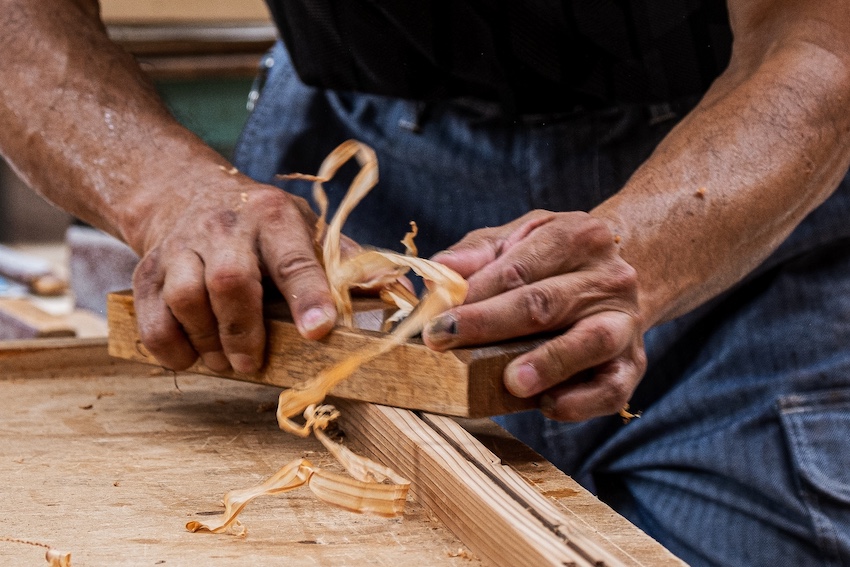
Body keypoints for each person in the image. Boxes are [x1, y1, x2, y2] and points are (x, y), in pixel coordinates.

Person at [2, 1, 849, 564]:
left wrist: (640, 249)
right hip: (349, 155)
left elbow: (824, 37)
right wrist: (165, 189)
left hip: (744, 186)